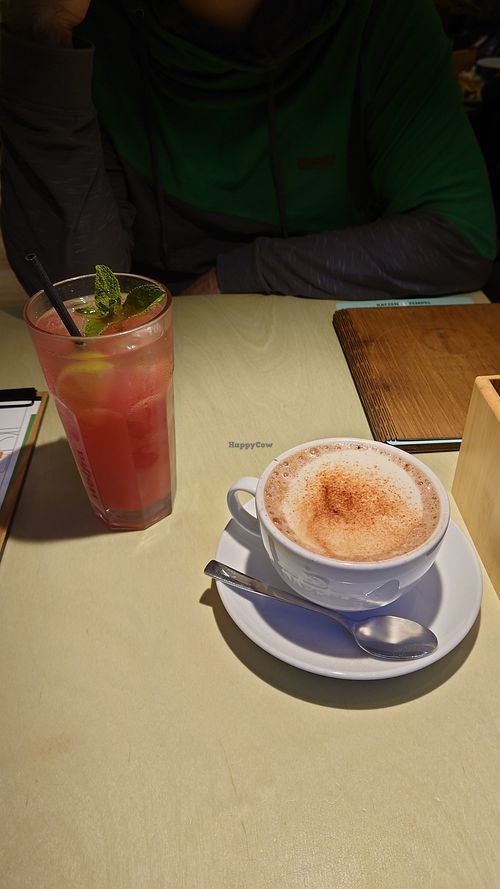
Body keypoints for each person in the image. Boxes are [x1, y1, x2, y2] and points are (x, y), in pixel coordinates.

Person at [0, 0, 496, 299]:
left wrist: (239, 273)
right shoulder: (84, 28)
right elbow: (86, 299)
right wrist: (41, 31)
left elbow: (458, 238)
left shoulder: (379, 18)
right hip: (166, 352)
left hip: (330, 331)